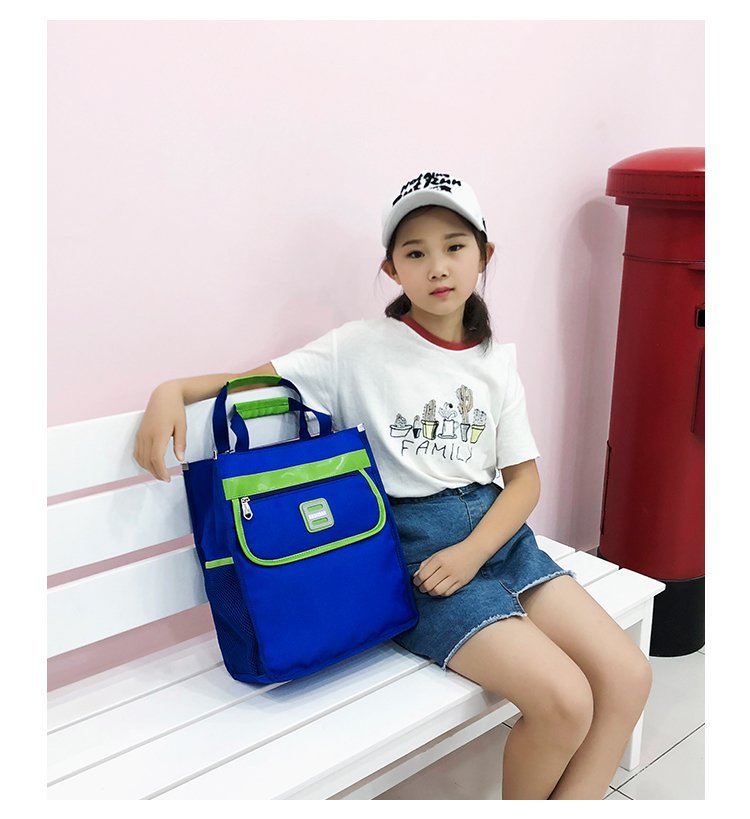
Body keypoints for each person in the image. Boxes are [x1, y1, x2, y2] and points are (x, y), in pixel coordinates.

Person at [134, 170, 652, 800]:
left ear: (485, 255)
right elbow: (245, 384)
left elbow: (523, 480)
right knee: (565, 701)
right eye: (416, 252)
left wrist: (475, 551)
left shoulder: (495, 361)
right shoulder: (355, 349)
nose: (438, 266)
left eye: (454, 246)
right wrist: (171, 390)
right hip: (411, 554)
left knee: (628, 678)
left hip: (495, 537)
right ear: (392, 270)